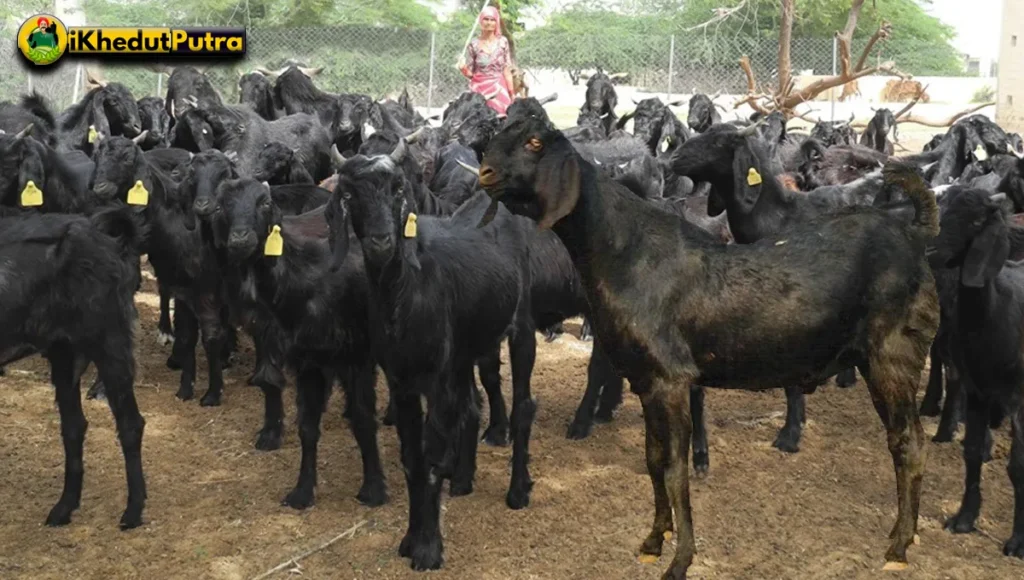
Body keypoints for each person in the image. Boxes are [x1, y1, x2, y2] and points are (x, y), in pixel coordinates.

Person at [457, 6, 515, 116]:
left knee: (503, 120)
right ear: (481, 21)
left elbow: (506, 71)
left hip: (499, 88)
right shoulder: (473, 44)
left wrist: (512, 94)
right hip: (479, 89)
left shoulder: (503, 42)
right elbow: (471, 75)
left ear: (496, 22)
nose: (489, 23)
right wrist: (463, 68)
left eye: (492, 19)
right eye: (486, 19)